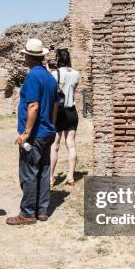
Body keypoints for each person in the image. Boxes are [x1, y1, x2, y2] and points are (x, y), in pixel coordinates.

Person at [6, 38, 58, 225]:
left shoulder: (33, 77)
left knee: (28, 172)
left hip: (34, 135)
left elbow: (33, 106)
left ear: (28, 56)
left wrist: (26, 133)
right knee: (44, 171)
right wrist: (50, 125)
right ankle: (42, 210)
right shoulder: (50, 78)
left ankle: (27, 213)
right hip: (47, 133)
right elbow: (54, 106)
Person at [49, 48, 80, 186]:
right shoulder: (76, 74)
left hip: (59, 111)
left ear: (58, 59)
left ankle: (50, 178)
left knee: (55, 145)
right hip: (72, 111)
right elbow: (74, 89)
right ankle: (71, 176)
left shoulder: (54, 74)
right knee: (71, 145)